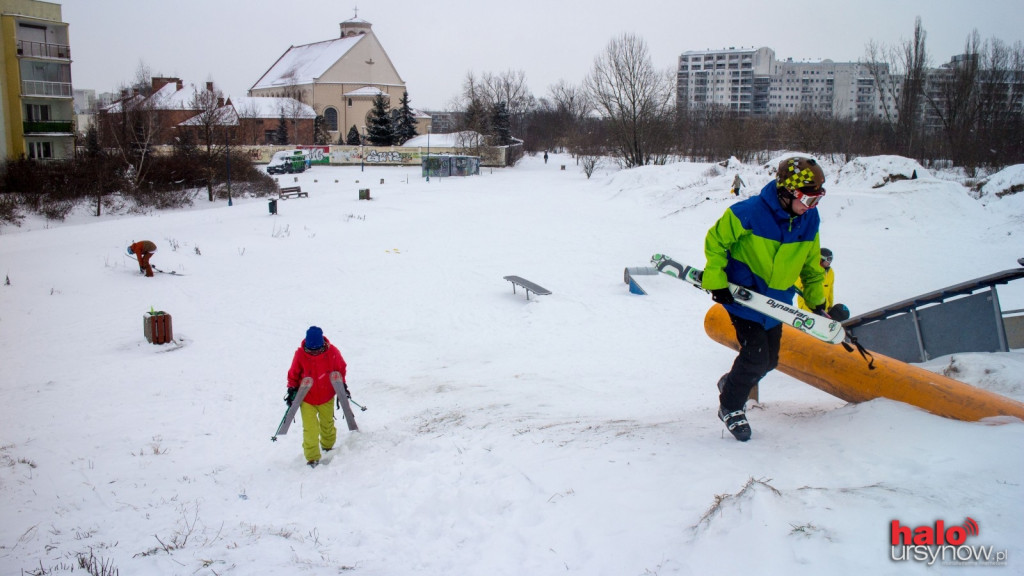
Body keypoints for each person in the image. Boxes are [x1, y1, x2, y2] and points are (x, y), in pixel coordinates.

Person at [702, 156, 829, 441]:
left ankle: (732, 383)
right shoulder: (748, 212)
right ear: (787, 193)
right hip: (744, 298)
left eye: (818, 199)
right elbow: (716, 242)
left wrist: (816, 301)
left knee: (769, 361)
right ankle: (730, 406)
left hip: (776, 303)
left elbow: (811, 264)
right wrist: (716, 281)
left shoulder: (809, 221)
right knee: (756, 356)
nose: (813, 207)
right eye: (808, 200)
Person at [286, 326, 349, 467]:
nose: (314, 353)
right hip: (307, 398)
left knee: (327, 425)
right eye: (310, 350)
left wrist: (342, 385)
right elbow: (293, 374)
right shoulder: (301, 355)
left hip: (327, 395)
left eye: (317, 350)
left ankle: (328, 445)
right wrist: (291, 389)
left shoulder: (332, 352)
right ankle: (312, 458)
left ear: (322, 344)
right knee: (310, 429)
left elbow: (341, 369)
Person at [797, 248, 851, 321]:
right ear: (820, 259)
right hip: (808, 309)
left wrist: (830, 306)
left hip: (823, 310)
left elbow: (830, 290)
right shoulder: (808, 270)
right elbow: (798, 287)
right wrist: (803, 306)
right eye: (828, 260)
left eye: (831, 260)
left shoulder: (830, 272)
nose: (830, 262)